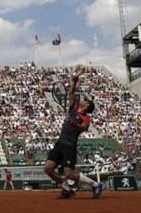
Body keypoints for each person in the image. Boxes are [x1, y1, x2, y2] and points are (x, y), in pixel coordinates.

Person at [43, 65, 103, 200]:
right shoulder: (73, 107)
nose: (82, 99)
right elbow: (70, 92)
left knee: (69, 174)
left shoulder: (86, 118)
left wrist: (73, 123)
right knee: (48, 168)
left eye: (85, 100)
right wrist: (75, 78)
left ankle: (95, 184)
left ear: (87, 105)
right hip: (60, 144)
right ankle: (67, 189)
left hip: (69, 147)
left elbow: (82, 128)